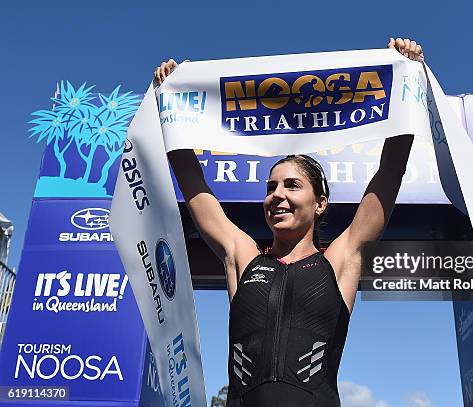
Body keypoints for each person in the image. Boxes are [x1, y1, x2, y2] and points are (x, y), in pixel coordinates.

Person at [156, 37, 423, 407]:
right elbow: (192, 182)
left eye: (292, 185)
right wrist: (173, 109)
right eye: (271, 187)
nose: (276, 195)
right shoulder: (243, 257)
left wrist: (406, 80)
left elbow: (391, 170)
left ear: (320, 204)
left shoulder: (341, 260)